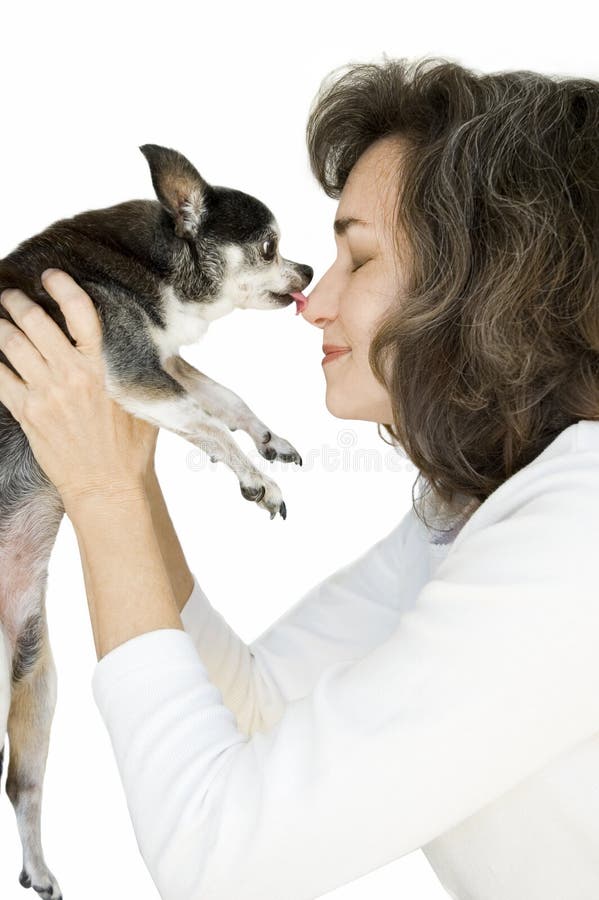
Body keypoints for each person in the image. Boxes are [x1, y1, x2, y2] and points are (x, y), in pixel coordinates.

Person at [0, 55, 598, 900]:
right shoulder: (464, 514)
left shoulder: (579, 537)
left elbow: (218, 860)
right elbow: (257, 710)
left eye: (357, 261)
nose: (312, 302)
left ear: (487, 282)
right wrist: (118, 470)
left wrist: (98, 497)